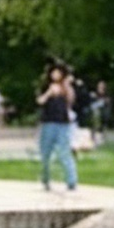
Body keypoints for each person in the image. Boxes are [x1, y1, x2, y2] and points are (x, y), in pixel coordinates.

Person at [35, 62, 79, 192]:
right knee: (45, 154)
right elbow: (40, 101)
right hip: (48, 122)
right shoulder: (45, 86)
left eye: (58, 72)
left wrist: (66, 86)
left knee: (65, 153)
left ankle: (71, 181)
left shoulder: (66, 87)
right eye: (54, 72)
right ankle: (45, 179)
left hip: (63, 123)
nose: (56, 75)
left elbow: (71, 101)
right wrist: (49, 92)